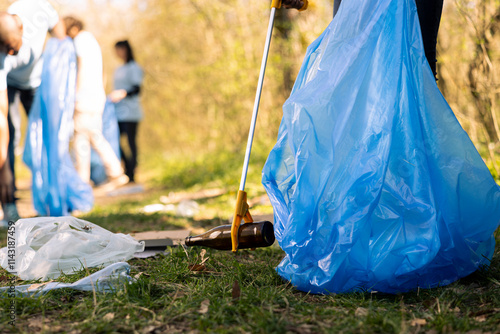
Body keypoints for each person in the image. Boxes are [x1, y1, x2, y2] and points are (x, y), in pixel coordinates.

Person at [0, 0, 65, 224]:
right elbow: (0, 118)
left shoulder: (39, 9)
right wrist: (4, 159)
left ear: (21, 28)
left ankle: (54, 199)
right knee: (8, 140)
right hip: (10, 86)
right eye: (5, 49)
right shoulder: (1, 58)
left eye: (12, 46)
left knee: (49, 136)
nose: (10, 53)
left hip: (37, 83)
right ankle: (9, 207)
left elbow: (60, 35)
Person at [63, 16, 128, 190]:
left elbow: (81, 67)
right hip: (95, 96)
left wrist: (75, 93)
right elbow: (102, 71)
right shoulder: (91, 40)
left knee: (90, 136)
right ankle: (83, 181)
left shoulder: (80, 40)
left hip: (84, 97)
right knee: (84, 138)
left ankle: (115, 172)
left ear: (72, 28)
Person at [110, 40, 144, 183]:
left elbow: (137, 89)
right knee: (115, 140)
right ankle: (127, 168)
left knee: (130, 141)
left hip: (131, 112)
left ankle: (133, 172)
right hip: (118, 112)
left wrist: (123, 93)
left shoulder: (134, 68)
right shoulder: (119, 69)